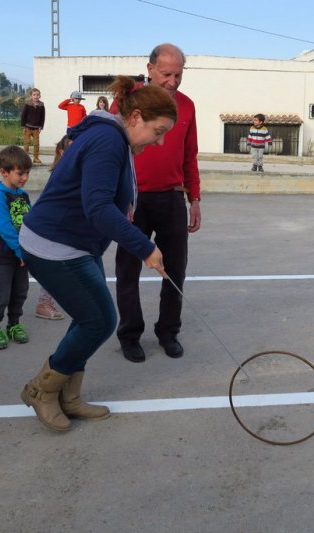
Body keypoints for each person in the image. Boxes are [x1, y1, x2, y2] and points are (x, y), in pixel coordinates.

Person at [19, 75, 174, 432]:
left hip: (76, 244)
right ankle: (42, 390)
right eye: (158, 131)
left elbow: (104, 199)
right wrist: (145, 247)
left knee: (87, 318)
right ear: (136, 117)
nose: (160, 141)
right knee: (100, 321)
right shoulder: (108, 141)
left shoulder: (115, 138)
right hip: (54, 245)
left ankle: (69, 396)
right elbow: (98, 208)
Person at [113, 43, 202, 363]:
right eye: (166, 74)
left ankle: (168, 332)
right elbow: (113, 149)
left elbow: (190, 154)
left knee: (175, 269)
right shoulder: (127, 101)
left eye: (178, 75)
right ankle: (129, 334)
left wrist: (194, 198)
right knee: (128, 269)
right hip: (133, 199)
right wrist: (118, 196)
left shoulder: (187, 106)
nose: (172, 81)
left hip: (172, 197)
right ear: (150, 69)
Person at [0, 146, 33, 350]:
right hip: (2, 254)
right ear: (4, 171)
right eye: (20, 173)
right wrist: (20, 251)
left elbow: (30, 222)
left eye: (27, 173)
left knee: (20, 291)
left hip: (21, 254)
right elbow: (5, 227)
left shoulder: (22, 195)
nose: (25, 178)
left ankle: (13, 324)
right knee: (2, 293)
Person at [33, 136, 71, 321]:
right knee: (55, 268)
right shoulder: (61, 174)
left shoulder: (69, 172)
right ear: (62, 153)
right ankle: (43, 303)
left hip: (63, 227)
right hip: (54, 228)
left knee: (63, 268)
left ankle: (48, 302)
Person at [20, 88, 45, 164]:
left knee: (36, 144)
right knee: (26, 144)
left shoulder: (41, 105)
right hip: (27, 127)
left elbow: (43, 117)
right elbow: (23, 115)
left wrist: (41, 126)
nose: (36, 96)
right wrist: (23, 126)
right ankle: (25, 158)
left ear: (40, 96)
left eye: (37, 95)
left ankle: (36, 158)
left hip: (36, 129)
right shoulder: (27, 105)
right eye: (34, 95)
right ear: (31, 96)